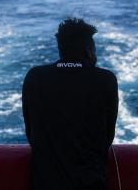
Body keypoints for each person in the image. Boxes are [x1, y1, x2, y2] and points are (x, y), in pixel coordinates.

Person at [22, 18, 119, 190]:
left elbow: (31, 133)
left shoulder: (34, 77)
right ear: (89, 51)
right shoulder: (105, 80)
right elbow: (107, 137)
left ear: (61, 50)